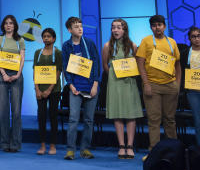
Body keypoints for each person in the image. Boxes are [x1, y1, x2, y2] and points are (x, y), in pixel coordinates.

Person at [135, 14, 181, 150]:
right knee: (154, 120)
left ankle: (173, 151)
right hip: (152, 86)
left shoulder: (172, 42)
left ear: (164, 26)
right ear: (151, 27)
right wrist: (146, 84)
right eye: (154, 25)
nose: (157, 28)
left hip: (170, 85)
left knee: (170, 120)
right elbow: (140, 64)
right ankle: (154, 151)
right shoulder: (146, 41)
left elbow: (178, 64)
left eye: (159, 25)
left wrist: (177, 84)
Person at [101, 18, 142, 159]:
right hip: (114, 83)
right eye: (113, 27)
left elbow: (137, 64)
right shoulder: (107, 46)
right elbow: (105, 65)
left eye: (119, 27)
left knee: (130, 114)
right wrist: (114, 75)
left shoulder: (132, 45)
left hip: (129, 83)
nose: (115, 30)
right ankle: (121, 146)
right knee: (117, 114)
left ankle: (130, 146)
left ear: (124, 30)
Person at [62, 16, 101, 160]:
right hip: (75, 88)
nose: (80, 28)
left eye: (81, 26)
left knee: (89, 120)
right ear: (69, 30)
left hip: (91, 86)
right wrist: (71, 85)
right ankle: (70, 150)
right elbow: (66, 67)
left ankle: (85, 149)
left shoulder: (89, 43)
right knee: (73, 119)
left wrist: (95, 84)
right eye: (76, 26)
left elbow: (96, 63)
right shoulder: (66, 46)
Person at [0, 14, 26, 153]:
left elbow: (22, 58)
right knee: (3, 112)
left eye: (11, 23)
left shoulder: (21, 40)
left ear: (15, 26)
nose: (8, 25)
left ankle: (15, 144)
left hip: (17, 76)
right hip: (2, 76)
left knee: (17, 112)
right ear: (3, 25)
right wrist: (5, 74)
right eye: (6, 23)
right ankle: (4, 143)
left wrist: (17, 74)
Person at [33, 28, 63, 156]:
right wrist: (37, 89)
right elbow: (35, 71)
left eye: (49, 36)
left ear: (54, 39)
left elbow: (58, 72)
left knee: (53, 117)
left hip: (54, 90)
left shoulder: (58, 53)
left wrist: (50, 89)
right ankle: (43, 144)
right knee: (41, 117)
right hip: (40, 90)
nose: (46, 38)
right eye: (44, 36)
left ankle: (52, 145)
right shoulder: (37, 53)